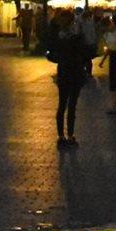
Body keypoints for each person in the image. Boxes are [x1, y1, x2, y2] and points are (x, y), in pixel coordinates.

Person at [44, 10, 94, 147]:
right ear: (73, 21)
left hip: (64, 70)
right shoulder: (77, 35)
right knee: (72, 106)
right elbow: (86, 52)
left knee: (62, 105)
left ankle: (61, 136)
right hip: (76, 71)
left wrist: (61, 59)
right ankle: (71, 135)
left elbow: (50, 54)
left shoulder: (58, 35)